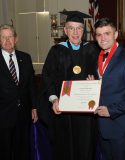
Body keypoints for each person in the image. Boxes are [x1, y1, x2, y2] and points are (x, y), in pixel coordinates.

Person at [41, 13, 99, 160]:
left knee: (85, 147)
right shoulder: (56, 51)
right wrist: (54, 99)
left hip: (86, 111)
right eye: (71, 28)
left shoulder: (91, 49)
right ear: (65, 31)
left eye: (79, 28)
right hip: (63, 110)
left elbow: (99, 75)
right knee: (65, 147)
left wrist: (94, 81)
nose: (75, 32)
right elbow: (47, 76)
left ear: (83, 31)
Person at [0, 24, 38, 160]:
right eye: (3, 37)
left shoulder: (26, 58)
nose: (7, 41)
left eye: (10, 37)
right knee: (3, 153)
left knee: (23, 152)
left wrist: (34, 106)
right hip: (1, 118)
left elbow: (31, 85)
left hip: (23, 116)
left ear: (16, 39)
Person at [93, 18, 125, 160]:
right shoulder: (97, 57)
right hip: (102, 125)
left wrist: (111, 110)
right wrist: (93, 85)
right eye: (98, 34)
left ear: (115, 35)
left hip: (120, 126)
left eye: (107, 33)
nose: (102, 38)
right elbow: (107, 83)